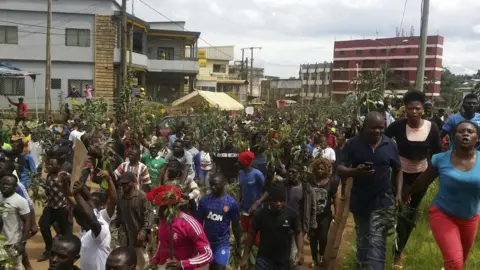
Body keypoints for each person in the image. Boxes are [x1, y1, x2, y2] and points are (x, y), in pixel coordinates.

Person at [408, 121, 480, 270]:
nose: (465, 134)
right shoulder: (440, 159)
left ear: (477, 138)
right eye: (461, 131)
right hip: (443, 215)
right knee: (455, 261)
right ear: (453, 137)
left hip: (470, 218)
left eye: (470, 132)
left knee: (460, 260)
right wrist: (405, 194)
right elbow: (422, 182)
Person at [337, 111, 403, 270]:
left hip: (383, 200)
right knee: (363, 238)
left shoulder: (390, 144)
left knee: (377, 239)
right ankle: (362, 265)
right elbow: (340, 169)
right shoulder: (352, 144)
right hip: (360, 200)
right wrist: (355, 172)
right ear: (364, 127)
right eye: (373, 128)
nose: (378, 131)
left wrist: (399, 193)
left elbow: (398, 169)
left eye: (381, 128)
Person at [385, 91, 443, 268]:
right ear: (405, 109)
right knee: (401, 210)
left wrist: (432, 174)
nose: (414, 112)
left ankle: (399, 250)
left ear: (423, 109)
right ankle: (395, 249)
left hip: (422, 176)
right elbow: (383, 141)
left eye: (417, 108)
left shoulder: (432, 128)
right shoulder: (397, 126)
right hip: (401, 174)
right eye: (410, 108)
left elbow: (438, 153)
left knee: (410, 213)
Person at [240, 181, 304, 270]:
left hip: (283, 262)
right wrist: (245, 257)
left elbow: (298, 231)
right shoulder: (260, 214)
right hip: (264, 260)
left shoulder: (292, 214)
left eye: (281, 200)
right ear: (270, 199)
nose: (278, 203)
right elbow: (251, 234)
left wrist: (300, 252)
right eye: (275, 200)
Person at [150, 185, 213, 269]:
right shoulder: (163, 220)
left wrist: (183, 264)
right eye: (158, 207)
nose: (158, 211)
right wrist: (155, 260)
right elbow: (163, 242)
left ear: (171, 207)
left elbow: (207, 254)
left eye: (162, 207)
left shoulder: (189, 224)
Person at [196, 174, 242, 270]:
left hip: (222, 244)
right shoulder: (204, 201)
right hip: (207, 244)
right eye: (211, 184)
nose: (213, 187)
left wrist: (239, 245)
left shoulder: (231, 203)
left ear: (224, 184)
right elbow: (198, 224)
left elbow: (236, 226)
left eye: (216, 185)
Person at [112, 172, 152, 270]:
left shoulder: (142, 197)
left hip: (139, 236)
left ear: (133, 182)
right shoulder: (121, 198)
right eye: (122, 183)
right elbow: (119, 215)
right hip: (125, 235)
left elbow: (149, 215)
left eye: (126, 183)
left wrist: (143, 231)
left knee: (144, 262)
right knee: (125, 260)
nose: (123, 186)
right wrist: (113, 225)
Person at [38, 154, 74, 262]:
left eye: (52, 164)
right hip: (51, 207)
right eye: (48, 164)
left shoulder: (65, 176)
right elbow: (48, 192)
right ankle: (49, 249)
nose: (49, 166)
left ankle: (67, 255)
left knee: (66, 233)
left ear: (59, 165)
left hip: (63, 209)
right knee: (43, 225)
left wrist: (71, 208)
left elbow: (72, 191)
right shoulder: (49, 175)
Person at [69, 180, 111, 270]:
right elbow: (91, 202)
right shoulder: (87, 234)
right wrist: (83, 187)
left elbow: (91, 217)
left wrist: (77, 195)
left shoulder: (102, 229)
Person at [309, 158, 338, 267]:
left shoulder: (331, 183)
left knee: (323, 237)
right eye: (318, 168)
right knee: (312, 238)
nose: (320, 170)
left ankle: (321, 254)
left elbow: (335, 198)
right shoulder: (311, 182)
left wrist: (336, 212)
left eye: (322, 168)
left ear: (326, 169)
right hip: (312, 215)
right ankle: (314, 259)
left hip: (325, 215)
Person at [0, 175, 31, 270]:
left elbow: (27, 221)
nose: (5, 186)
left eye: (8, 184)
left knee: (14, 267)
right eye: (3, 184)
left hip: (12, 243)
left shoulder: (20, 201)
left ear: (15, 186)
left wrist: (23, 242)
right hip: (1, 242)